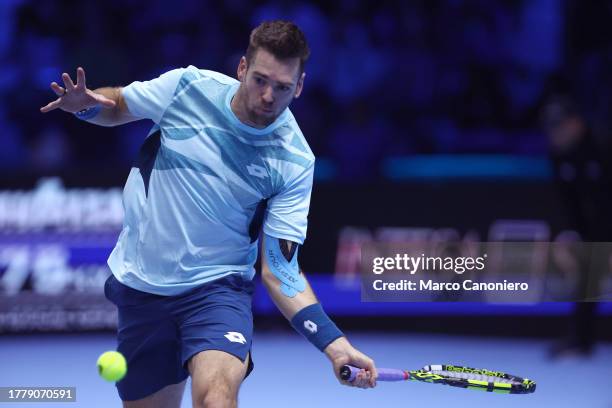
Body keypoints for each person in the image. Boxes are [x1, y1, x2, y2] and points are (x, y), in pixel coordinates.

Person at [41, 20, 377, 407]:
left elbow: (281, 271)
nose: (268, 96)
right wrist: (85, 106)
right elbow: (116, 105)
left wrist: (334, 346)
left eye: (283, 87)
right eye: (260, 80)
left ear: (299, 87)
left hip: (217, 291)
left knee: (216, 398)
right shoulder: (188, 87)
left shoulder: (294, 160)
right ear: (241, 70)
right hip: (143, 286)